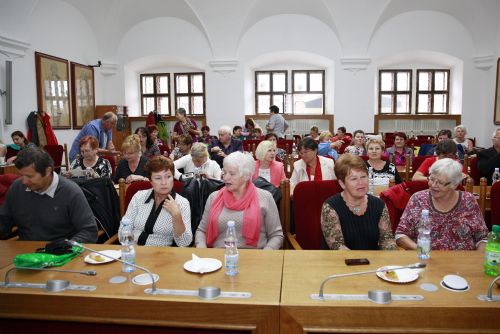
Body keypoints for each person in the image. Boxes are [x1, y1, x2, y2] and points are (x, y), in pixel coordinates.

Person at [0, 147, 97, 242]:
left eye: (30, 176)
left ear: (47, 171)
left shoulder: (71, 192)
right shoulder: (17, 188)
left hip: (61, 253)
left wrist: (67, 246)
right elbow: (4, 222)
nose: (24, 181)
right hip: (25, 253)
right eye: (22, 175)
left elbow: (89, 231)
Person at [195, 151, 283, 249]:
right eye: (224, 172)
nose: (225, 178)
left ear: (246, 176)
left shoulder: (265, 197)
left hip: (255, 258)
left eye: (232, 174)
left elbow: (276, 235)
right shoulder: (214, 197)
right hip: (219, 258)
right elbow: (201, 231)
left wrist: (266, 253)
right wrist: (202, 249)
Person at [396, 158, 488, 251]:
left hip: (462, 262)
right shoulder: (418, 199)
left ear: (454, 184)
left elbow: (482, 238)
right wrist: (421, 249)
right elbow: (401, 234)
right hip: (426, 260)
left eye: (440, 182)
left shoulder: (468, 201)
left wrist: (478, 261)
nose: (433, 185)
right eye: (431, 179)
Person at [321, 154, 397, 250]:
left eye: (363, 176)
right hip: (341, 262)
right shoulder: (330, 207)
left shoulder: (379, 205)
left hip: (374, 262)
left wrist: (391, 257)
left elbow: (387, 239)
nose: (360, 183)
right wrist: (363, 263)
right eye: (354, 179)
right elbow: (337, 246)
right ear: (342, 183)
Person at [122, 156, 192, 247]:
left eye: (168, 177)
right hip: (133, 251)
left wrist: (177, 216)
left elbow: (184, 243)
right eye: (158, 178)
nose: (164, 182)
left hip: (162, 255)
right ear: (150, 181)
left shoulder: (182, 203)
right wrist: (130, 245)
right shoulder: (139, 197)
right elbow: (124, 227)